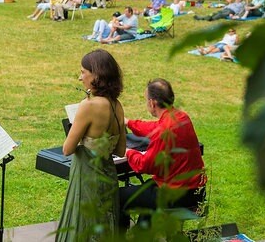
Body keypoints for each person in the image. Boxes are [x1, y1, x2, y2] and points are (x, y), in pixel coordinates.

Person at [56, 49, 127, 242]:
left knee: (82, 225)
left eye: (83, 72)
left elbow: (67, 149)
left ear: (96, 75)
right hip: (108, 174)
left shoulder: (89, 105)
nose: (80, 78)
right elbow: (121, 150)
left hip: (87, 176)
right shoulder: (117, 105)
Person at [119, 78, 206, 229]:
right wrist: (128, 123)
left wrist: (126, 151)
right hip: (195, 191)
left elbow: (145, 165)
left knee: (117, 195)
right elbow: (154, 127)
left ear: (152, 103)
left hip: (175, 195)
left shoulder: (164, 130)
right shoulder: (181, 117)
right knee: (146, 192)